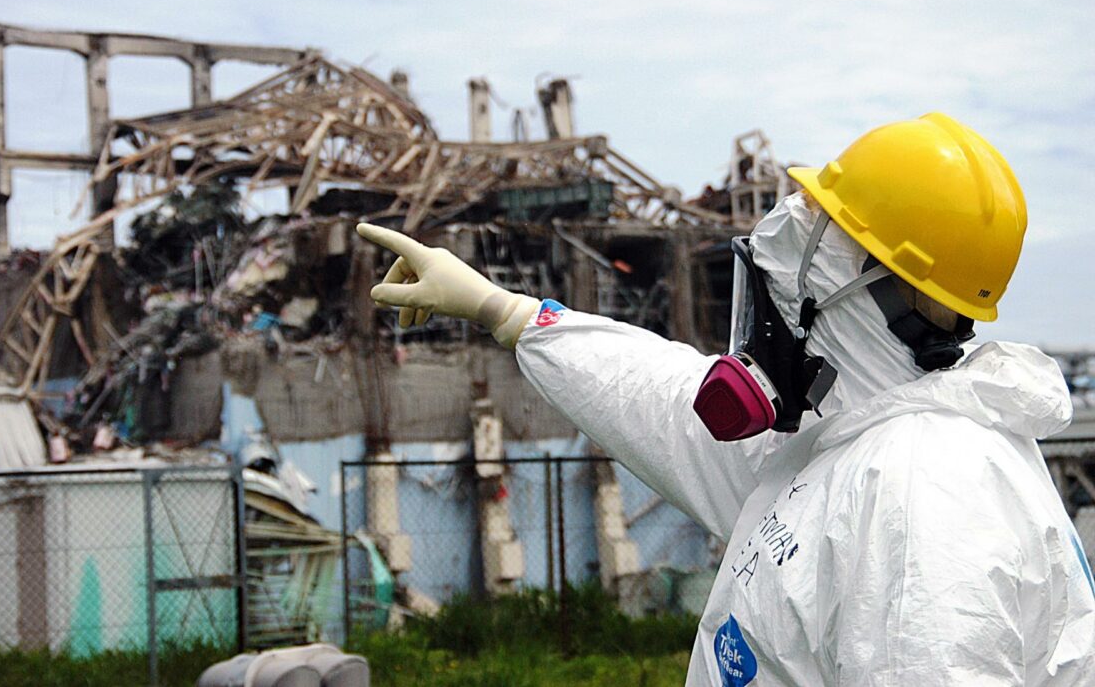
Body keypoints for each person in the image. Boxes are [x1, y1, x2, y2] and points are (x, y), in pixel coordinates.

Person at [356, 113, 1095, 685]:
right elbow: (659, 398)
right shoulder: (849, 439)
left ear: (856, 278)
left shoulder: (922, 498)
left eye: (815, 229)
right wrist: (505, 311)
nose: (783, 256)